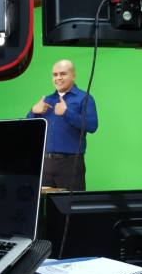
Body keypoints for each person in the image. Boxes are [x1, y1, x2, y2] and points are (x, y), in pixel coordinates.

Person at [26, 60, 98, 191]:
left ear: (73, 76)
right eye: (55, 74)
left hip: (71, 164)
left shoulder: (84, 98)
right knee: (44, 206)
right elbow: (29, 130)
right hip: (45, 164)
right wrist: (32, 112)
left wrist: (67, 112)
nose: (58, 78)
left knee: (70, 207)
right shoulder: (46, 100)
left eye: (63, 74)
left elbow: (92, 126)